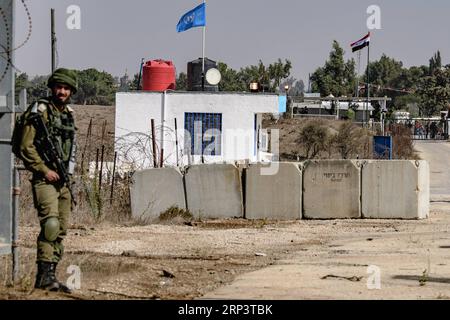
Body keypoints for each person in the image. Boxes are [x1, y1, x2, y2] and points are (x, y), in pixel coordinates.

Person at [19, 68, 78, 293]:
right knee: (50, 225)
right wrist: (44, 170)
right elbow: (25, 146)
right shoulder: (39, 111)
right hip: (45, 179)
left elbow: (71, 148)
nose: (62, 92)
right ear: (52, 88)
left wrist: (68, 175)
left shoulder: (69, 114)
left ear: (71, 91)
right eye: (58, 87)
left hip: (63, 180)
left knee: (61, 228)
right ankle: (42, 276)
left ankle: (50, 276)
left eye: (66, 88)